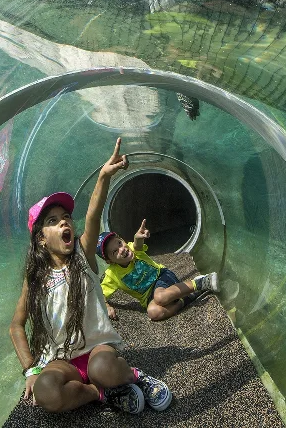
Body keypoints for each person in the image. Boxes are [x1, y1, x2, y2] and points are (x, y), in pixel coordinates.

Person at [9, 138, 172, 415]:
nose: (64, 222)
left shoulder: (83, 257)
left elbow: (93, 214)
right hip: (62, 361)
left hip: (97, 350)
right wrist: (30, 370)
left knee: (103, 368)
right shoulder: (34, 278)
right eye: (52, 221)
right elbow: (16, 326)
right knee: (45, 393)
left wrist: (104, 177)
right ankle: (100, 393)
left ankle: (134, 377)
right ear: (41, 241)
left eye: (65, 217)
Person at [97, 219, 220, 322]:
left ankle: (201, 282)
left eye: (119, 243)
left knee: (160, 297)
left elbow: (137, 245)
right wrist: (106, 306)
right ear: (110, 261)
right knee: (153, 313)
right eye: (114, 252)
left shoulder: (133, 249)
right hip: (149, 297)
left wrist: (138, 237)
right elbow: (100, 293)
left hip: (161, 277)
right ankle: (186, 298)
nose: (122, 249)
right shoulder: (112, 275)